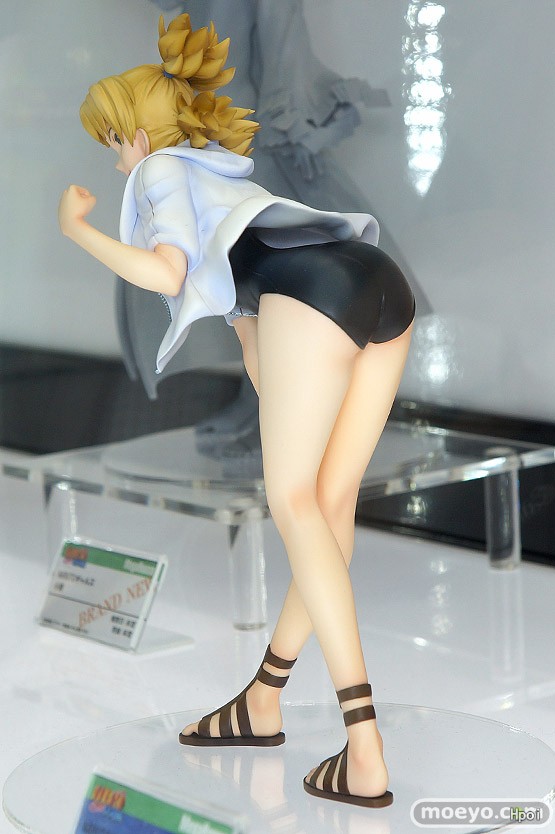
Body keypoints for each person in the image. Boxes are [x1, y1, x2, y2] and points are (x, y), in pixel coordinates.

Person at [58, 13, 415, 808]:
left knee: (295, 506)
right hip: (377, 281)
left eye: (114, 140)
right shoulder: (220, 172)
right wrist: (280, 376)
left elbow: (163, 274)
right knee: (328, 505)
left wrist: (75, 229)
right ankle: (263, 698)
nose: (115, 158)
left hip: (316, 298)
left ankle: (365, 748)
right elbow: (255, 333)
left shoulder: (159, 172)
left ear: (138, 134)